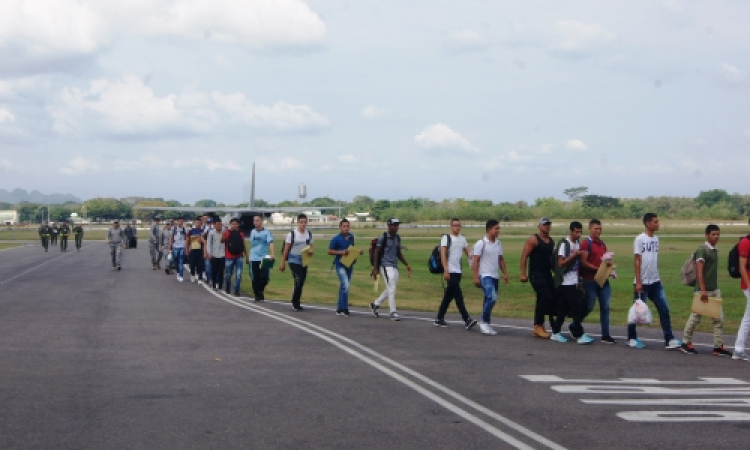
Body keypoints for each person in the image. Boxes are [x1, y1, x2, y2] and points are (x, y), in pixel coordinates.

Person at [628, 213, 682, 350]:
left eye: (658, 221)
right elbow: (637, 260)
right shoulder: (640, 239)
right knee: (637, 312)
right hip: (643, 282)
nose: (658, 224)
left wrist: (658, 277)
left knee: (664, 309)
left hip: (655, 282)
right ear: (647, 223)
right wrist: (638, 281)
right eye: (655, 222)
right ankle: (632, 338)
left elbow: (653, 260)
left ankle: (669, 339)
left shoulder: (656, 239)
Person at [681, 225, 731, 356]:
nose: (716, 237)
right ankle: (686, 342)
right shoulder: (702, 250)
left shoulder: (714, 250)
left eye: (717, 234)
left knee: (719, 319)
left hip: (714, 289)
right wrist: (703, 290)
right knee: (695, 318)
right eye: (713, 234)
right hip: (704, 291)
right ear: (707, 235)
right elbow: (699, 270)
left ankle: (718, 346)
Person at [550, 222, 594, 344]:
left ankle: (555, 332)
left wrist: (579, 280)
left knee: (564, 309)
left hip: (573, 280)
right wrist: (573, 256)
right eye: (576, 232)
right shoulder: (565, 244)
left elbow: (578, 265)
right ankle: (579, 334)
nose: (579, 234)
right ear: (571, 231)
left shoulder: (577, 244)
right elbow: (560, 263)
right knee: (577, 308)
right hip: (565, 282)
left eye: (580, 232)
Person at [434, 218, 477, 330]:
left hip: (458, 271)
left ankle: (439, 318)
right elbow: (443, 255)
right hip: (450, 271)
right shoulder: (446, 238)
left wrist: (475, 263)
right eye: (455, 225)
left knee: (449, 296)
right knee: (458, 295)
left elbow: (469, 254)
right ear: (451, 226)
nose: (457, 227)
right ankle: (467, 319)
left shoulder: (462, 239)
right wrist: (446, 270)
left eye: (459, 225)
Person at [580, 219, 616, 344]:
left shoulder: (602, 244)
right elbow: (583, 262)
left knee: (605, 307)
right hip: (590, 280)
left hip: (603, 279)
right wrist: (597, 269)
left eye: (600, 229)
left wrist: (608, 266)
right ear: (590, 229)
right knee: (589, 306)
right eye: (596, 229)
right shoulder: (586, 244)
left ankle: (605, 335)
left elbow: (604, 259)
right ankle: (576, 325)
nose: (598, 231)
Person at [519, 218, 556, 339]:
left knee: (550, 298)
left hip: (547, 274)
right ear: (539, 226)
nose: (546, 227)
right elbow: (524, 256)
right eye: (544, 225)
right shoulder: (533, 239)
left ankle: (550, 324)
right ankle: (538, 326)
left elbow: (551, 260)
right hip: (536, 274)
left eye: (548, 225)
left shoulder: (551, 241)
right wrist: (523, 273)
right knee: (544, 296)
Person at [471, 219, 509, 335]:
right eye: (496, 228)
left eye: (498, 228)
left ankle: (487, 323)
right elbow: (476, 260)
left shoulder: (498, 243)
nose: (498, 230)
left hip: (495, 276)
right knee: (492, 298)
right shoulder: (481, 243)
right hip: (485, 275)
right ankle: (483, 321)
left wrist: (505, 273)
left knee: (488, 299)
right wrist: (476, 277)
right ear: (489, 229)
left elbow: (500, 259)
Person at [370, 218, 411, 321]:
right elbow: (377, 253)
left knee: (390, 288)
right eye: (395, 225)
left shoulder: (397, 238)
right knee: (392, 288)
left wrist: (406, 264)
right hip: (385, 266)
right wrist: (375, 268)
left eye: (397, 225)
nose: (397, 227)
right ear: (389, 226)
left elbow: (398, 253)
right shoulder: (383, 238)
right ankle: (393, 312)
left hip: (394, 266)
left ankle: (375, 304)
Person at [328, 219, 363, 316]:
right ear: (340, 227)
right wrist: (341, 252)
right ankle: (344, 308)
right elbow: (329, 251)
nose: (346, 228)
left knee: (344, 286)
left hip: (349, 264)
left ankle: (339, 308)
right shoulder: (336, 238)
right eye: (344, 226)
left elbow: (352, 248)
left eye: (347, 226)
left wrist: (355, 255)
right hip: (340, 264)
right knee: (346, 285)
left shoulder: (351, 237)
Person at [280, 214, 314, 311]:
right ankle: (294, 302)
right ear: (298, 223)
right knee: (299, 279)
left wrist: (311, 251)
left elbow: (311, 247)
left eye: (305, 222)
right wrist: (282, 263)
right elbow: (285, 250)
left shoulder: (309, 234)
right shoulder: (292, 234)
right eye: (301, 222)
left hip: (304, 259)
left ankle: (297, 301)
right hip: (293, 259)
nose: (303, 224)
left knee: (301, 281)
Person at [734, 222, 750, 361]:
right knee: (748, 318)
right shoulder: (745, 242)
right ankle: (739, 350)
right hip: (749, 284)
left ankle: (739, 349)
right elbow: (742, 267)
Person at [249, 215, 275, 302]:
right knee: (255, 277)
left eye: (257, 220)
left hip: (263, 258)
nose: (255, 222)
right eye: (254, 221)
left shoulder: (267, 232)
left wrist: (272, 254)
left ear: (262, 221)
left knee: (265, 278)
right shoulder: (252, 232)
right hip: (254, 257)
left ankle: (260, 290)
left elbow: (270, 243)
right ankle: (257, 295)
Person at [222, 217, 249, 296]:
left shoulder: (241, 234)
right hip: (229, 256)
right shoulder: (227, 233)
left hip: (239, 256)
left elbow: (244, 245)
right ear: (230, 225)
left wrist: (247, 256)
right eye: (232, 224)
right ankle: (227, 286)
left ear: (238, 225)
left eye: (236, 224)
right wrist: (223, 234)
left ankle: (236, 290)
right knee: (228, 274)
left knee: (238, 274)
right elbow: (222, 241)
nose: (234, 225)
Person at [206, 219, 226, 290]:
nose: (219, 226)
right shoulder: (211, 233)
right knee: (214, 270)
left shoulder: (224, 232)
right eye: (218, 224)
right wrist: (209, 253)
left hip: (222, 254)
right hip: (214, 254)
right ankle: (214, 283)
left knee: (221, 270)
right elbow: (208, 244)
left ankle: (220, 285)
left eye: (220, 224)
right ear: (214, 225)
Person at [168, 217, 188, 282]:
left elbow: (186, 238)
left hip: (182, 247)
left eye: (182, 221)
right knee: (176, 262)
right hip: (175, 247)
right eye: (180, 221)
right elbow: (171, 238)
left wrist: (186, 247)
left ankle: (181, 275)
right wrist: (169, 248)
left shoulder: (184, 229)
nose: (181, 222)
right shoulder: (174, 228)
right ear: (177, 221)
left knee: (181, 262)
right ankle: (178, 273)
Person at [187, 217, 206, 283]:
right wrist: (187, 249)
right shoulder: (191, 231)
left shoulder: (203, 231)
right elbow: (187, 241)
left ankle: (200, 277)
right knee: (192, 264)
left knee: (200, 264)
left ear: (201, 224)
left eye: (199, 223)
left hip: (200, 250)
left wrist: (201, 241)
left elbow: (205, 241)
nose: (197, 224)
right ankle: (192, 274)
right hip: (193, 250)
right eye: (196, 223)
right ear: (194, 223)